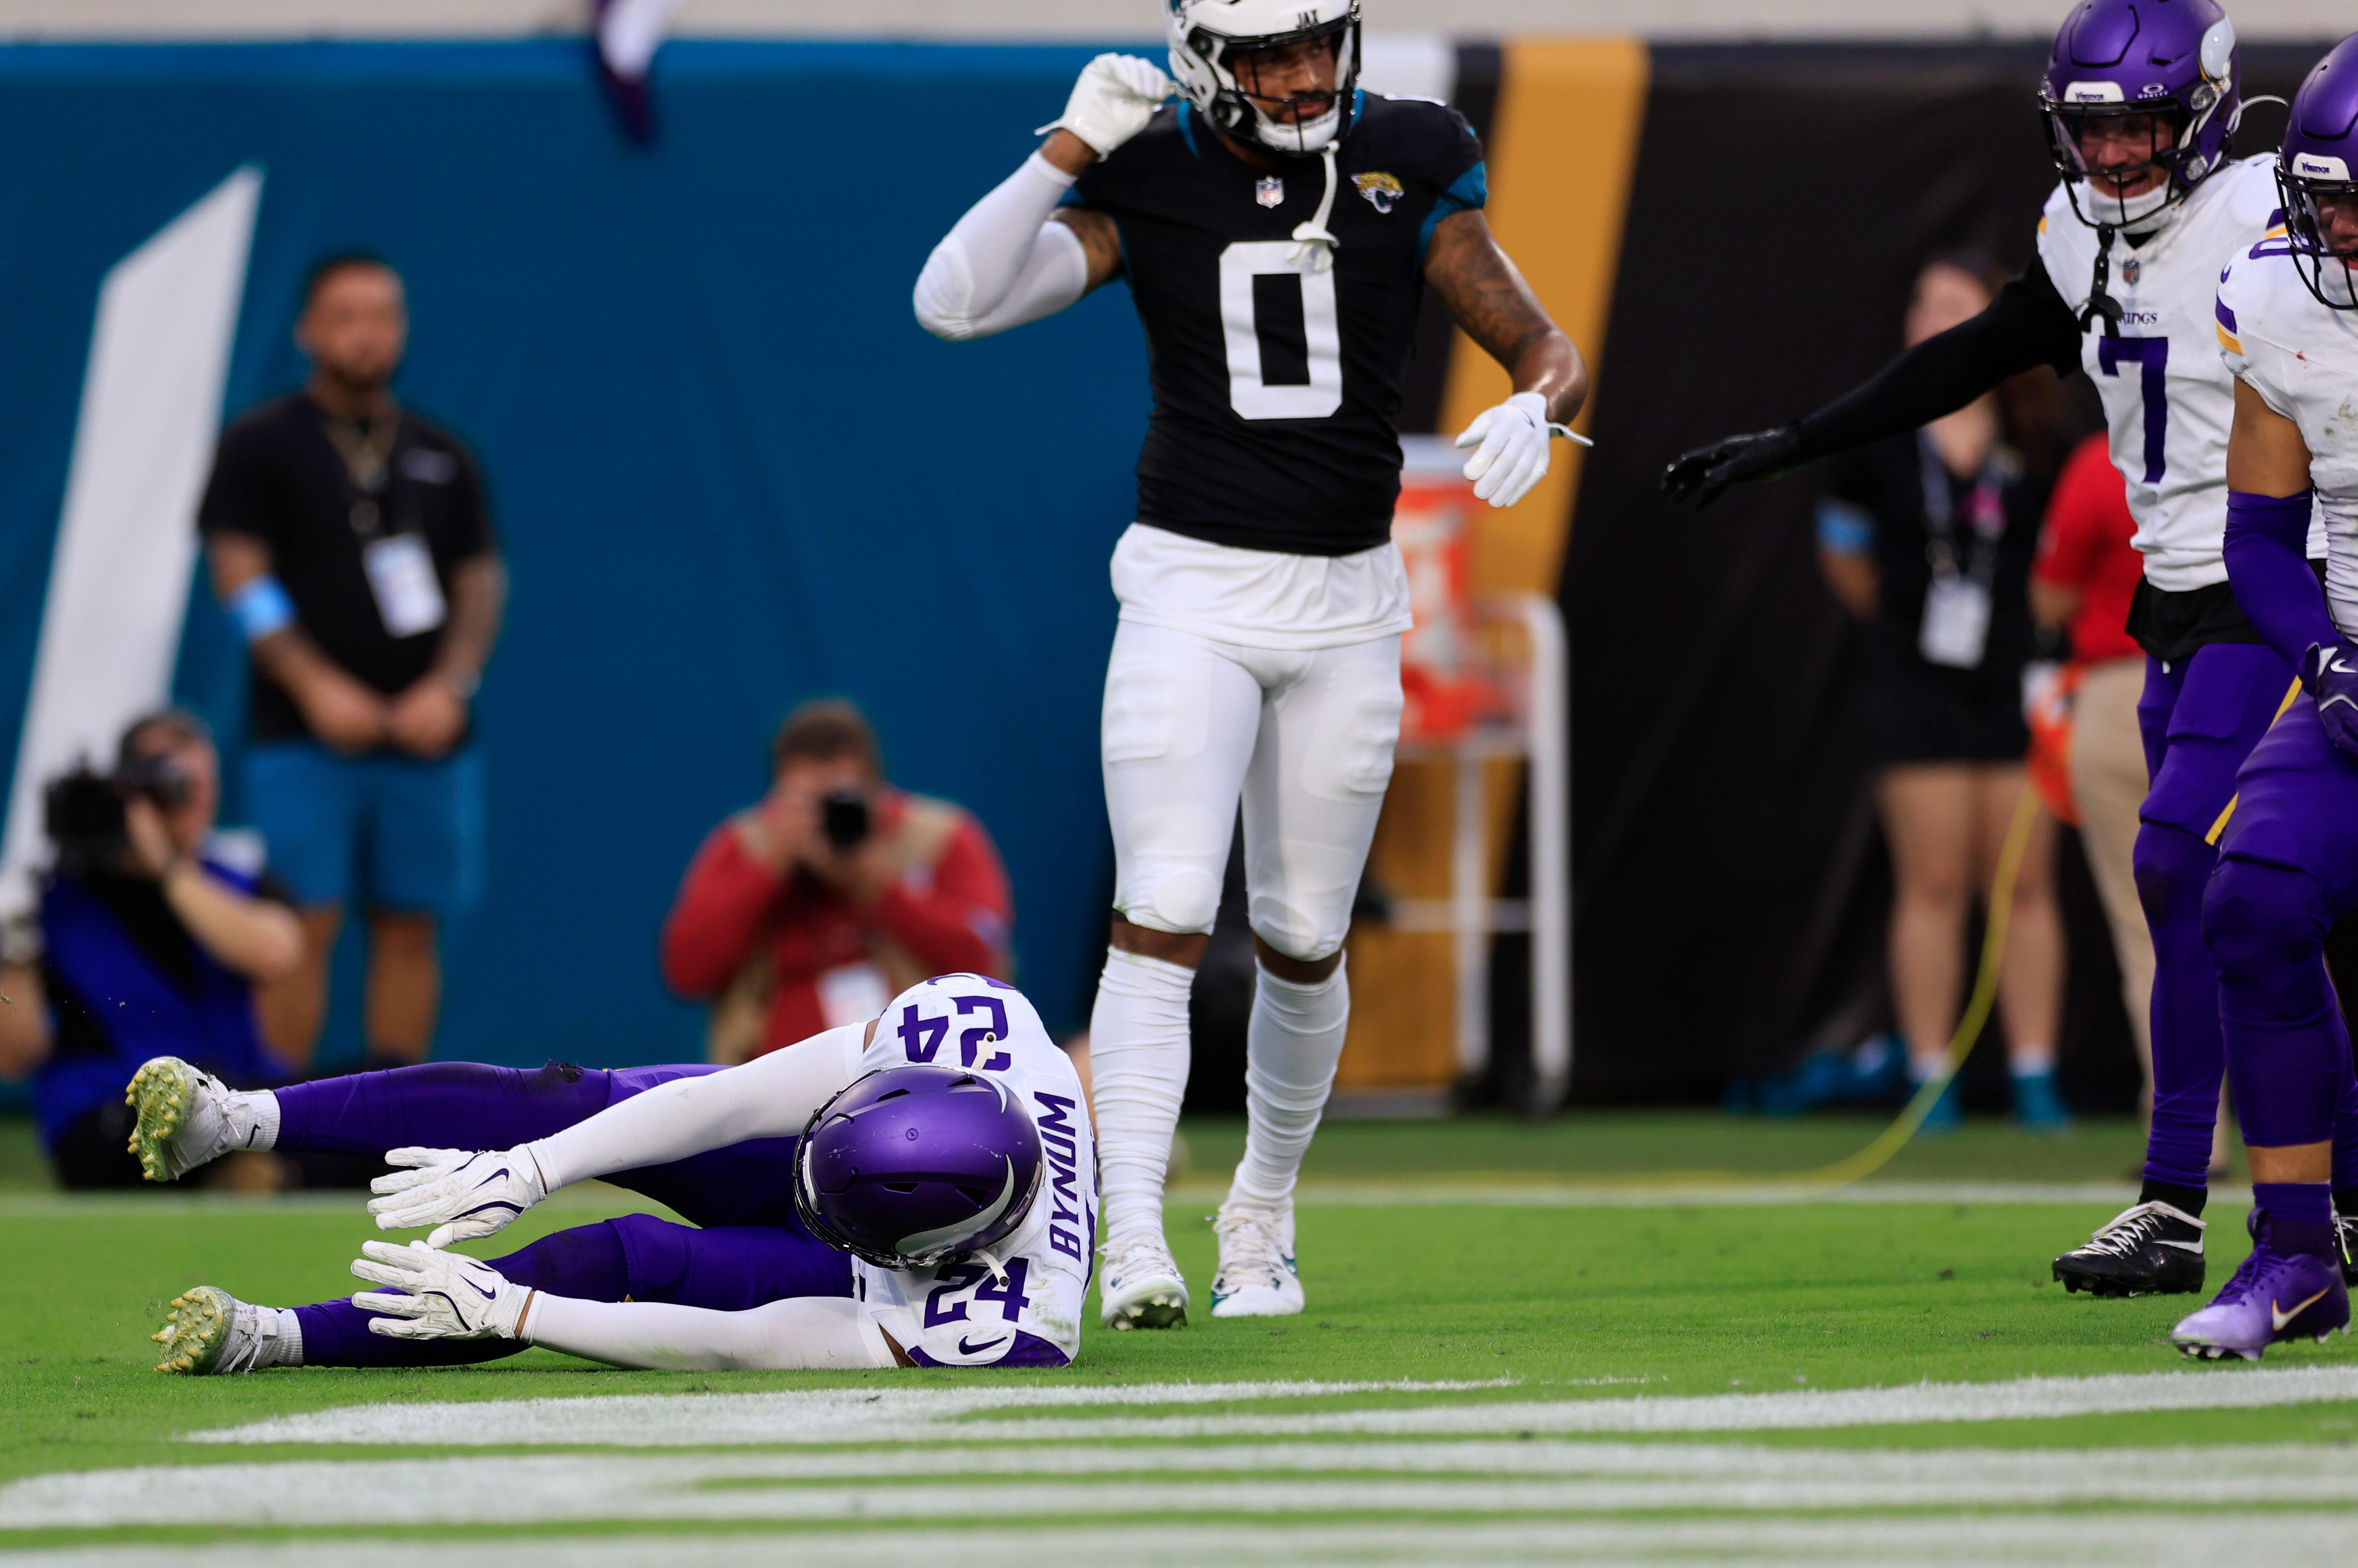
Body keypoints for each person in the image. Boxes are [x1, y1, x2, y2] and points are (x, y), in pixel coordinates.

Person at [914, 0, 1585, 1328]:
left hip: (1349, 601)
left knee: (1303, 938)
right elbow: (951, 302)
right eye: (1266, 55)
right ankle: (1135, 1234)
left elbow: (1542, 344)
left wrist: (1536, 405)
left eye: (1313, 45)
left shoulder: (1408, 155)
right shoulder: (1150, 164)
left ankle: (1262, 1217)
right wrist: (1061, 151)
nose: (1297, 77)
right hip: (1190, 589)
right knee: (1162, 908)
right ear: (1205, 65)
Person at [1662, 0, 2344, 1300]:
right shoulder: (2081, 230)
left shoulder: (2275, 211)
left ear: (2202, 116)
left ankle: (2173, 1201)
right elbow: (1975, 354)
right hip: (2172, 599)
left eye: (2143, 128)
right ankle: (2335, 1198)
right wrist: (1797, 440)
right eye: (2094, 131)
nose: (2116, 158)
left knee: (2179, 871)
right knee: (2259, 914)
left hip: (2275, 580)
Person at [133, 973, 1093, 1373]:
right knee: (565, 1102)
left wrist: (516, 1314)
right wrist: (534, 1169)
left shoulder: (1010, 1320)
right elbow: (732, 1101)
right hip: (828, 1151)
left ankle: (277, 1341)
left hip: (856, 1282)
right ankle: (240, 1119)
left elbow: (748, 1346)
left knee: (626, 1261)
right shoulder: (974, 1023)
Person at [197, 253, 507, 1072]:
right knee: (303, 922)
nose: (366, 335)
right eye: (346, 316)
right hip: (305, 739)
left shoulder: (443, 452)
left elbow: (481, 581)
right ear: (309, 329)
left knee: (412, 923)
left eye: (383, 315)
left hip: (426, 741)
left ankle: (393, 1123)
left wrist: (452, 684)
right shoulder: (260, 445)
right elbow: (241, 580)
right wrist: (315, 686)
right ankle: (273, 1129)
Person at [2172, 37, 2358, 1358]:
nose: (2336, 231)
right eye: (2325, 199)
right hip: (2356, 661)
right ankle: (2297, 1255)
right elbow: (2257, 534)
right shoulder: (2278, 295)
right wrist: (2328, 657)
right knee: (2252, 897)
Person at [1814, 253, 2069, 1133]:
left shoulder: (2035, 438)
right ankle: (1931, 1075)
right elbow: (1842, 551)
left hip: (2015, 680)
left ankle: (2036, 1072)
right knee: (1934, 876)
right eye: (1919, 303)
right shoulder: (1879, 436)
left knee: (2025, 879)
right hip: (1911, 680)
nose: (1929, 318)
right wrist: (1899, 617)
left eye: (1952, 304)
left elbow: (2065, 560)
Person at [0, 711, 301, 1188]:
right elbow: (15, 1055)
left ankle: (248, 1167)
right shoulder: (54, 902)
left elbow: (275, 954)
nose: (195, 798)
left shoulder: (234, 882)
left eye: (205, 782)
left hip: (236, 1091)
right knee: (166, 1113)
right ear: (129, 794)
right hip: (113, 1108)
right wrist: (14, 949)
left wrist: (167, 867)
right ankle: (249, 1169)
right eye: (176, 783)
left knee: (374, 1090)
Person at [659, 700, 1012, 1062]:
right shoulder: (746, 846)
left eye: (840, 800)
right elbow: (687, 973)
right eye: (809, 801)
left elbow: (986, 963)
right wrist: (770, 869)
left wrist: (875, 885)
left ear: (875, 786)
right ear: (779, 795)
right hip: (775, 1085)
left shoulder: (938, 838)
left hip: (921, 1073)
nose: (826, 817)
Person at [2033, 431, 2184, 1143]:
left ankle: (2189, 1140)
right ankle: (2318, 1145)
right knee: (2276, 920)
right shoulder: (2256, 427)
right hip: (2247, 688)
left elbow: (2051, 596)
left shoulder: (2103, 459)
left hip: (2127, 688)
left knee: (2148, 934)